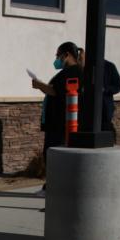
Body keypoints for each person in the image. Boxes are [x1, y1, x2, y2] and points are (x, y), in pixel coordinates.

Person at [32, 41, 82, 192]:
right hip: (56, 123)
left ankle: (53, 188)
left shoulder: (73, 72)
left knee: (54, 156)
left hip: (60, 124)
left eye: (58, 56)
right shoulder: (68, 72)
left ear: (66, 55)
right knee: (52, 156)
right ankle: (50, 186)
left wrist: (40, 85)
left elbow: (56, 91)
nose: (56, 59)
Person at [77, 47, 120, 141]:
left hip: (104, 109)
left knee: (106, 133)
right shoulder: (84, 67)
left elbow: (118, 85)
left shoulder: (109, 66)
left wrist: (105, 89)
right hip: (86, 109)